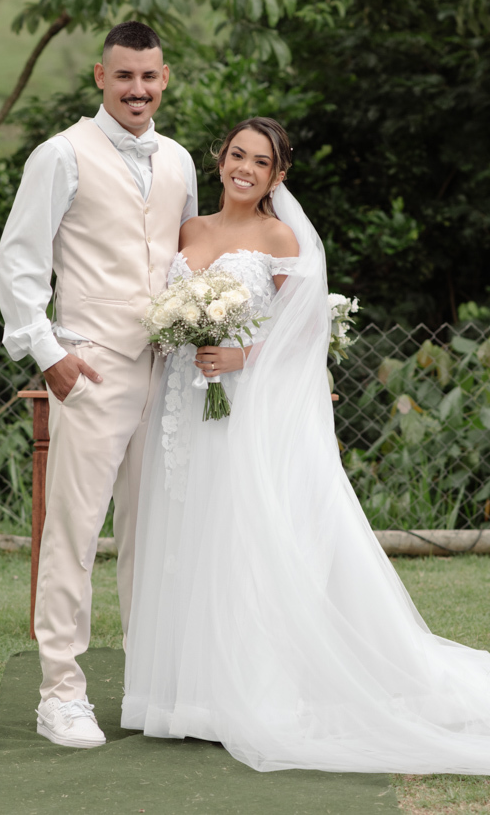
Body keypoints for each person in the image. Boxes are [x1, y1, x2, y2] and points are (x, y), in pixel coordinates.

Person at [122, 116, 490, 774]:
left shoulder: (280, 237)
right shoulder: (190, 230)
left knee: (236, 534)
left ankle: (251, 691)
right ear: (220, 159)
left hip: (243, 406)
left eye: (260, 162)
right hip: (183, 403)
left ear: (277, 176)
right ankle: (186, 696)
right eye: (237, 154)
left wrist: (239, 357)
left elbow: (304, 333)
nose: (245, 168)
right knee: (187, 532)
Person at [0, 21, 197, 749]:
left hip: (166, 373)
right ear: (100, 77)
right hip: (90, 367)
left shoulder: (179, 160)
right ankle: (60, 694)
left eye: (148, 76)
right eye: (124, 76)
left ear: (164, 78)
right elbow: (19, 260)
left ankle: (150, 688)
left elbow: (187, 261)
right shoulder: (60, 154)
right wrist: (47, 353)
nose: (137, 89)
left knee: (154, 536)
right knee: (73, 534)